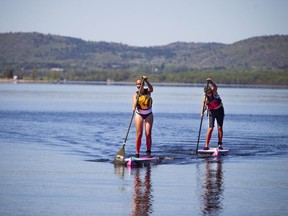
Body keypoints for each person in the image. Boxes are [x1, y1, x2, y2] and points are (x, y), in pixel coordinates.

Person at [133, 76, 154, 158]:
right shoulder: (135, 94)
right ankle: (137, 153)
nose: (139, 85)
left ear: (143, 84)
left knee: (148, 134)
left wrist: (146, 81)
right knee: (139, 134)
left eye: (140, 84)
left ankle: (148, 151)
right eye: (137, 84)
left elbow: (152, 89)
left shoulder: (147, 91)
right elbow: (134, 104)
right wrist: (133, 107)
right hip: (139, 114)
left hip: (149, 114)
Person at [202, 78, 224, 150]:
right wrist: (202, 113)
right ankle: (206, 145)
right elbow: (204, 107)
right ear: (206, 93)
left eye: (210, 92)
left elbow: (215, 87)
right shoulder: (205, 98)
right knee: (211, 128)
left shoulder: (214, 92)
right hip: (211, 112)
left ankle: (220, 145)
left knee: (220, 127)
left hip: (219, 111)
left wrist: (211, 82)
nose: (209, 94)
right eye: (208, 93)